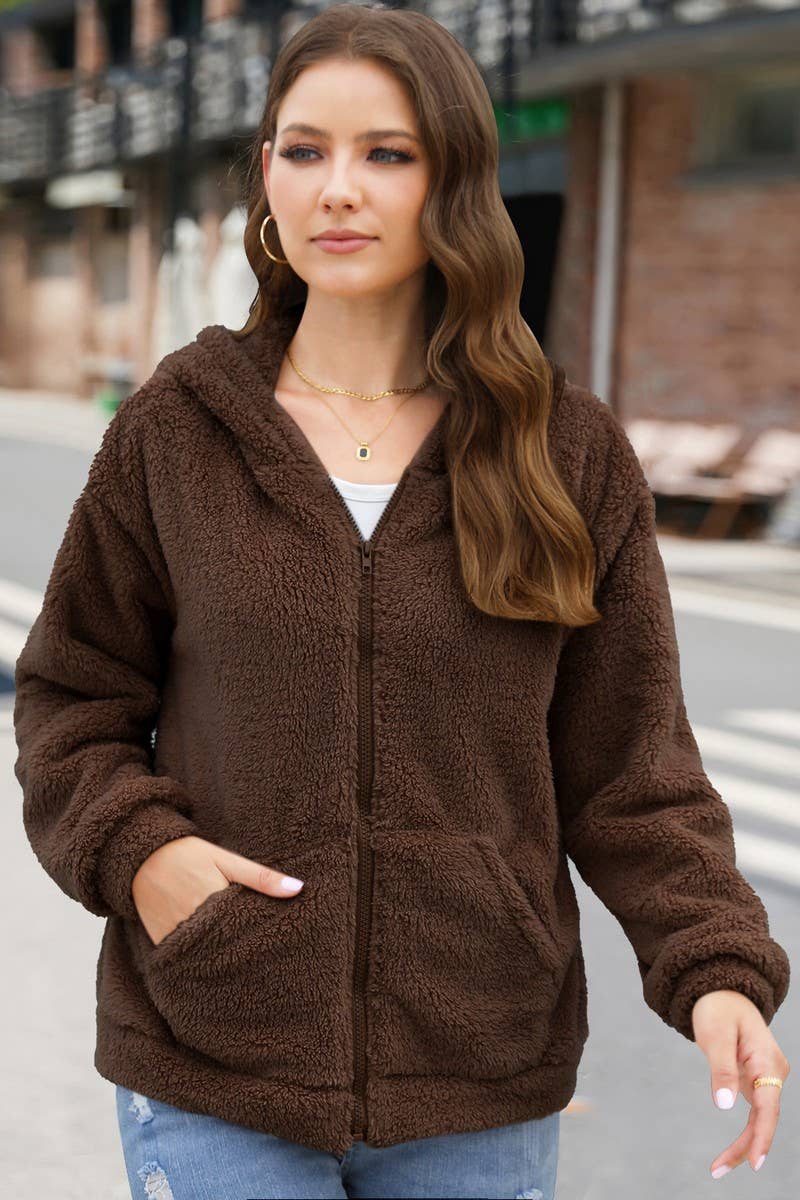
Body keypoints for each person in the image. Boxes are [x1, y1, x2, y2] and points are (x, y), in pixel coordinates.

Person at [13, 5, 790, 1199]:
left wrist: (714, 967)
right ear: (266, 173)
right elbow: (71, 698)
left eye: (386, 153)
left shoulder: (561, 451)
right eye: (304, 149)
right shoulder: (178, 430)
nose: (338, 188)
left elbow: (630, 766)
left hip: (477, 1069)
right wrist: (145, 855)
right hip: (215, 1050)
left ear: (452, 181)